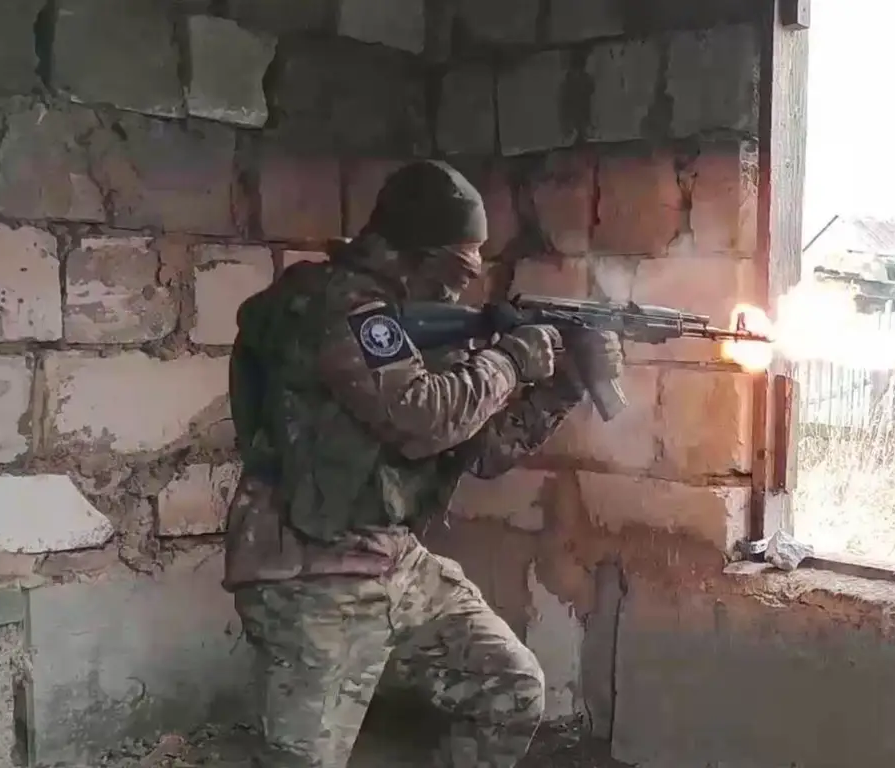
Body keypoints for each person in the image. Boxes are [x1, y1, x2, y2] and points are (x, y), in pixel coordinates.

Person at [221, 159, 622, 768]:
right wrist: (511, 360)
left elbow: (479, 451)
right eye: (458, 267)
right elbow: (420, 419)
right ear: (414, 254)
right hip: (306, 569)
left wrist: (562, 386)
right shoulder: (343, 307)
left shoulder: (414, 326)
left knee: (509, 690)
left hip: (393, 559)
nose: (464, 286)